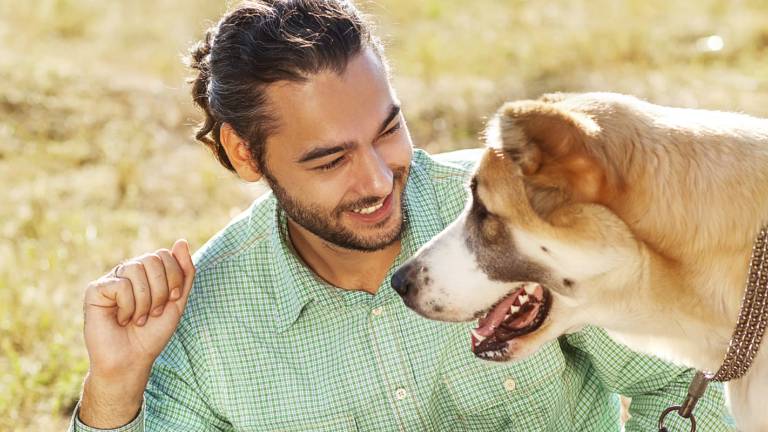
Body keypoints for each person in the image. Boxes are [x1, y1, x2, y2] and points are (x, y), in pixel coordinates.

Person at [69, 1, 735, 431]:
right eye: (331, 160)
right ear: (245, 154)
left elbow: (689, 387)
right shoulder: (204, 326)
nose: (378, 179)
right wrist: (114, 389)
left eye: (388, 131)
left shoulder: (527, 214)